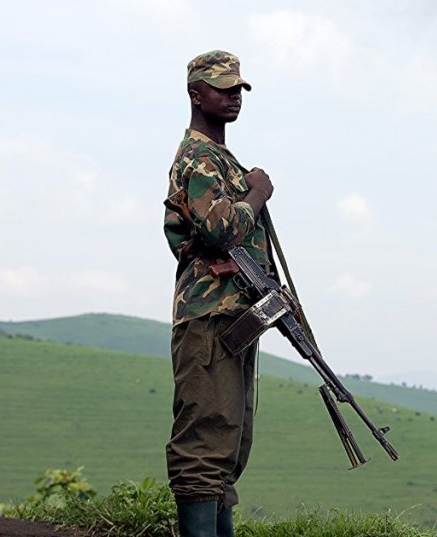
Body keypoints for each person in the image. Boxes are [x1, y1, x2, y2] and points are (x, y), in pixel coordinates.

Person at [162, 50, 274, 537]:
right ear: (195, 94)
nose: (233, 97)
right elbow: (216, 231)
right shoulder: (200, 159)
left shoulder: (220, 159)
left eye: (237, 89)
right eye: (222, 88)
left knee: (227, 448)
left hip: (230, 319)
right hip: (208, 319)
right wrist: (256, 194)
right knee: (205, 447)